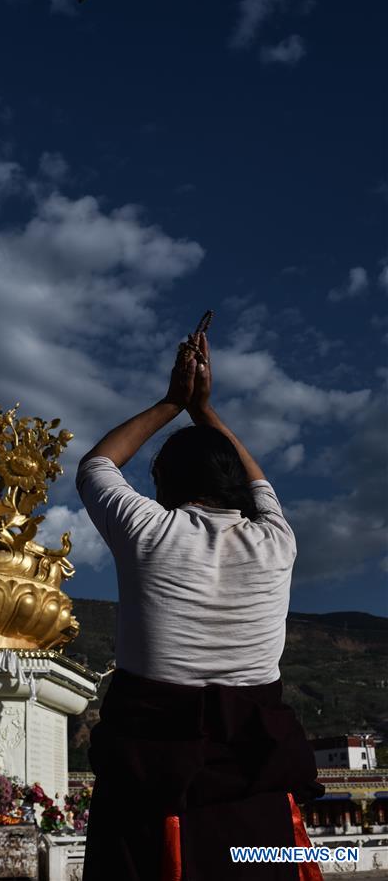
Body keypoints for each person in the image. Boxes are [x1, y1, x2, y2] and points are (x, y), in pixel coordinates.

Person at [76, 332, 324, 881]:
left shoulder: (148, 530)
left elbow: (97, 465)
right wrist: (205, 408)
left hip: (152, 791)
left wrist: (172, 402)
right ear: (235, 483)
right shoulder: (277, 540)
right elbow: (257, 481)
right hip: (256, 792)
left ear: (162, 482)